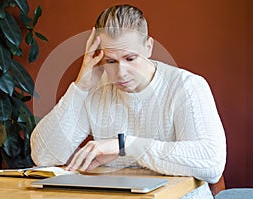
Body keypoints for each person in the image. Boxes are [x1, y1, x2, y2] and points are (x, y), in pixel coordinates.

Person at [30, 4, 226, 198]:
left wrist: (126, 146)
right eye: (110, 61)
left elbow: (211, 162)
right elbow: (44, 156)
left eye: (130, 58)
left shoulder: (186, 86)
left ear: (148, 47)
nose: (120, 73)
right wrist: (80, 87)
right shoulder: (95, 89)